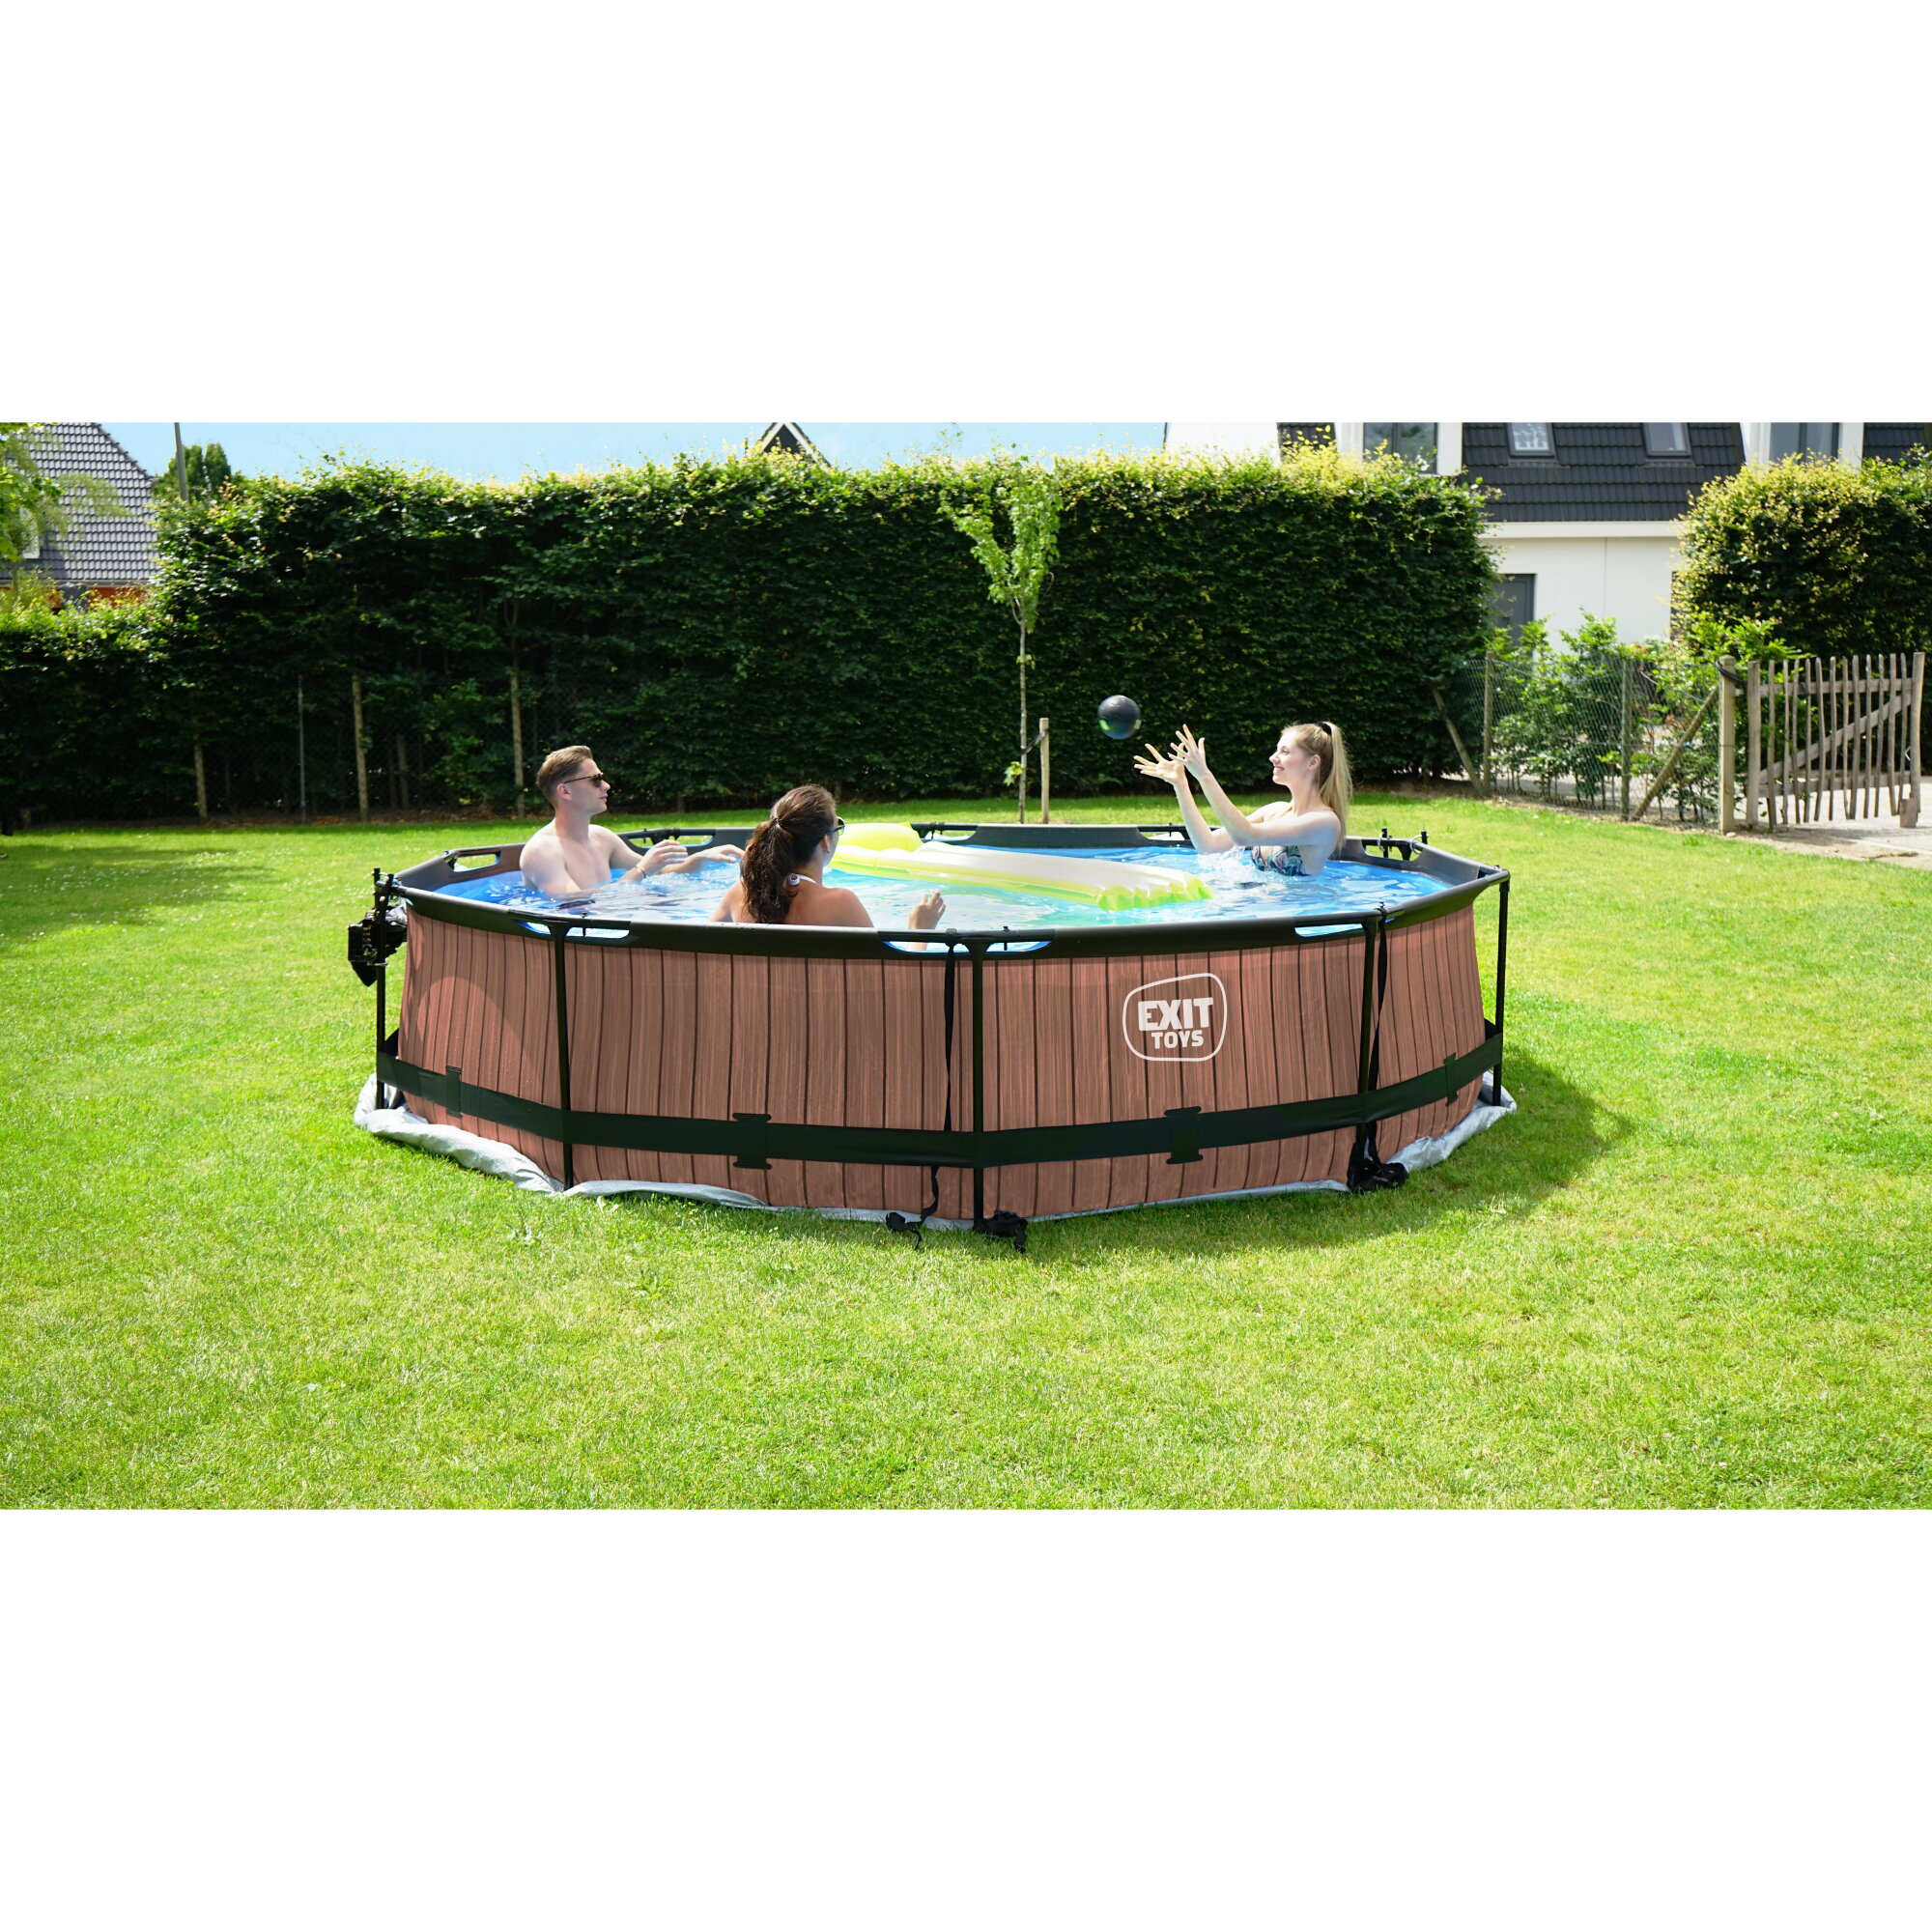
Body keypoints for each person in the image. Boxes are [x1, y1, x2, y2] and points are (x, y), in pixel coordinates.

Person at [709, 784, 947, 931]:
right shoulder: (841, 903)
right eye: (838, 825)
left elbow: (701, 944)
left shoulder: (741, 892)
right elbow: (888, 980)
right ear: (825, 841)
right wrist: (919, 931)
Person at [519, 745, 744, 898]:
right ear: (565, 791)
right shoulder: (543, 851)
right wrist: (642, 869)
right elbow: (571, 906)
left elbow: (660, 872)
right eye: (596, 780)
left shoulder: (602, 838)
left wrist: (701, 859)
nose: (606, 786)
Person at [1135, 720, 1350, 876]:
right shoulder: (1274, 811)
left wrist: (1204, 775)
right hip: (1256, 910)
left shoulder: (1325, 822)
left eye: (1284, 752)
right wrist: (1181, 785)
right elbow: (1207, 845)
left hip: (1295, 918)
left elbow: (1245, 835)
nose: (1273, 758)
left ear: (1312, 762)